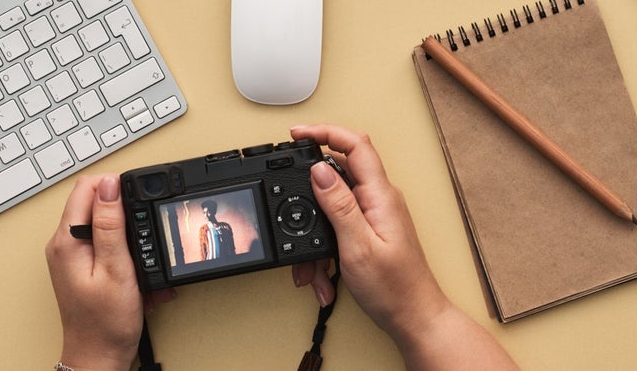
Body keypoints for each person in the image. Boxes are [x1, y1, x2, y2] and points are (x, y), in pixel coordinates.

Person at [45, 124, 520, 371]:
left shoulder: (225, 232)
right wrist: (420, 313)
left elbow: (223, 241)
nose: (210, 216)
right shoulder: (208, 232)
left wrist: (93, 356)